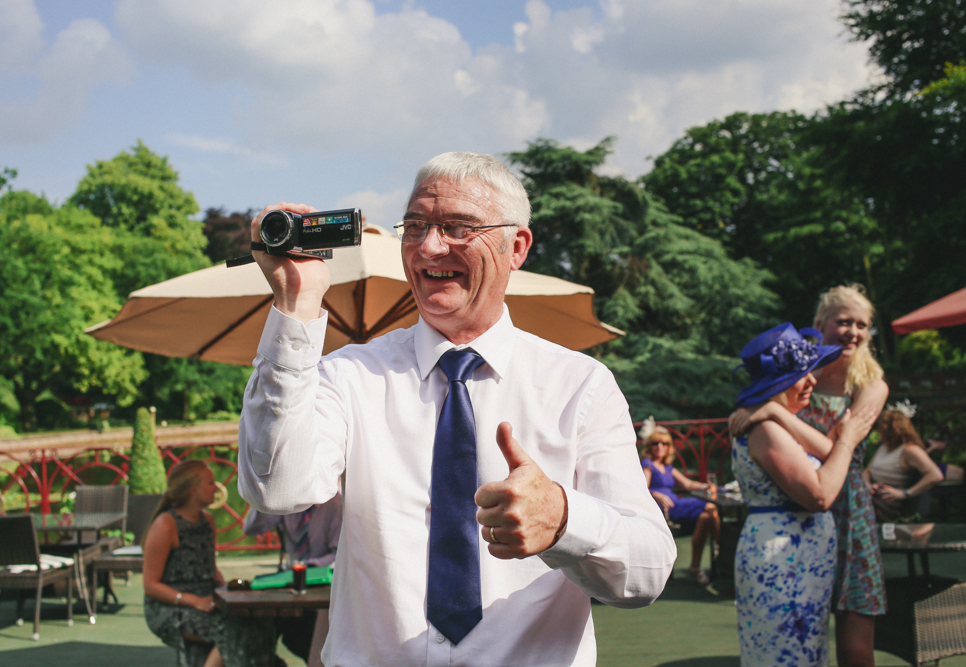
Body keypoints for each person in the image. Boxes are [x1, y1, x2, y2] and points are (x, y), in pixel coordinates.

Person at [237, 152, 677, 666]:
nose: (428, 246)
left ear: (517, 247)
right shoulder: (349, 374)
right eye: (416, 225)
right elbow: (277, 489)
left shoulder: (580, 385)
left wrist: (563, 519)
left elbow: (648, 571)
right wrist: (296, 302)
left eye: (457, 227)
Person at [731, 285, 889, 667]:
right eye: (844, 321)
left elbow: (838, 445)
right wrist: (772, 408)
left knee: (854, 633)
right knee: (802, 630)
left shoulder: (870, 385)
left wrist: (774, 412)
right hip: (798, 500)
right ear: (820, 324)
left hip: (848, 506)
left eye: (862, 325)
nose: (853, 331)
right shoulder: (798, 375)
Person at [143, 459, 278, 667]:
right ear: (192, 490)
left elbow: (210, 570)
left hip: (208, 600)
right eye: (210, 482)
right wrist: (193, 600)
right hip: (171, 607)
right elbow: (150, 585)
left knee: (261, 621)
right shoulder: (166, 524)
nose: (216, 487)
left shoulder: (208, 521)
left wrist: (228, 591)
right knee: (235, 629)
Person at [242, 490, 342, 663]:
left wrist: (308, 567)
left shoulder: (334, 503)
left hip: (324, 579)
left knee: (305, 632)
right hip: (290, 580)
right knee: (262, 622)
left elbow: (339, 554)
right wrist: (263, 498)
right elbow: (252, 529)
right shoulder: (288, 501)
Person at [639, 418, 720, 584]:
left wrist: (705, 486)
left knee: (706, 517)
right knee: (711, 506)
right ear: (649, 446)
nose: (660, 447)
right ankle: (720, 548)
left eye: (665, 443)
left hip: (675, 502)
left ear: (669, 447)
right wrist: (656, 494)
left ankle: (695, 566)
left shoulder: (668, 467)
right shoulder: (647, 464)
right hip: (666, 508)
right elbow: (641, 489)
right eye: (656, 443)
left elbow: (688, 484)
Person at [866, 409, 944, 520]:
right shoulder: (884, 448)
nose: (878, 431)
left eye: (881, 429)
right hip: (872, 499)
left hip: (889, 507)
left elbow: (935, 475)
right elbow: (866, 472)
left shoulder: (910, 450)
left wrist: (905, 493)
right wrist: (869, 486)